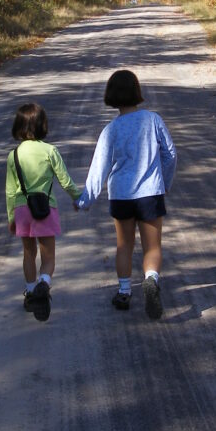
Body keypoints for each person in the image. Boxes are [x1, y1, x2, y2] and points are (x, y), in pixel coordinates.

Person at [77, 69, 176, 319]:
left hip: (121, 195)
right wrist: (163, 182)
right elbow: (170, 154)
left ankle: (123, 292)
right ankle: (151, 280)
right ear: (137, 92)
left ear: (111, 96)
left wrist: (85, 200)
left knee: (124, 246)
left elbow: (98, 169)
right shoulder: (153, 120)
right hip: (150, 193)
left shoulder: (110, 130)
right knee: (152, 246)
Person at [6, 102, 81, 322]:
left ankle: (30, 293)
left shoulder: (14, 155)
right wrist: (78, 198)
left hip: (21, 209)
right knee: (48, 257)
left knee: (28, 253)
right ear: (43, 125)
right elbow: (65, 181)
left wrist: (11, 217)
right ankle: (43, 283)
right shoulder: (50, 151)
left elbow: (10, 191)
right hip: (45, 209)